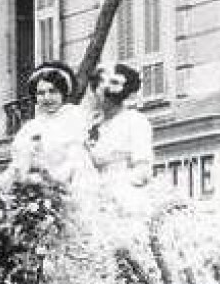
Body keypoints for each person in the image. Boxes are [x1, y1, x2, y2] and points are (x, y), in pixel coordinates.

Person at [8, 63, 94, 186]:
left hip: (73, 185)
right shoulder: (30, 128)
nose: (47, 98)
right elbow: (19, 163)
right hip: (38, 189)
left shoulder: (76, 117)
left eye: (52, 91)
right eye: (41, 93)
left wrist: (53, 180)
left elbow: (78, 159)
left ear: (63, 93)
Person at [87, 63, 154, 192]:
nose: (101, 100)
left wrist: (113, 186)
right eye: (97, 92)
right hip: (92, 194)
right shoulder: (92, 126)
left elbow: (143, 170)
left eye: (108, 96)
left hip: (125, 192)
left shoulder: (134, 121)